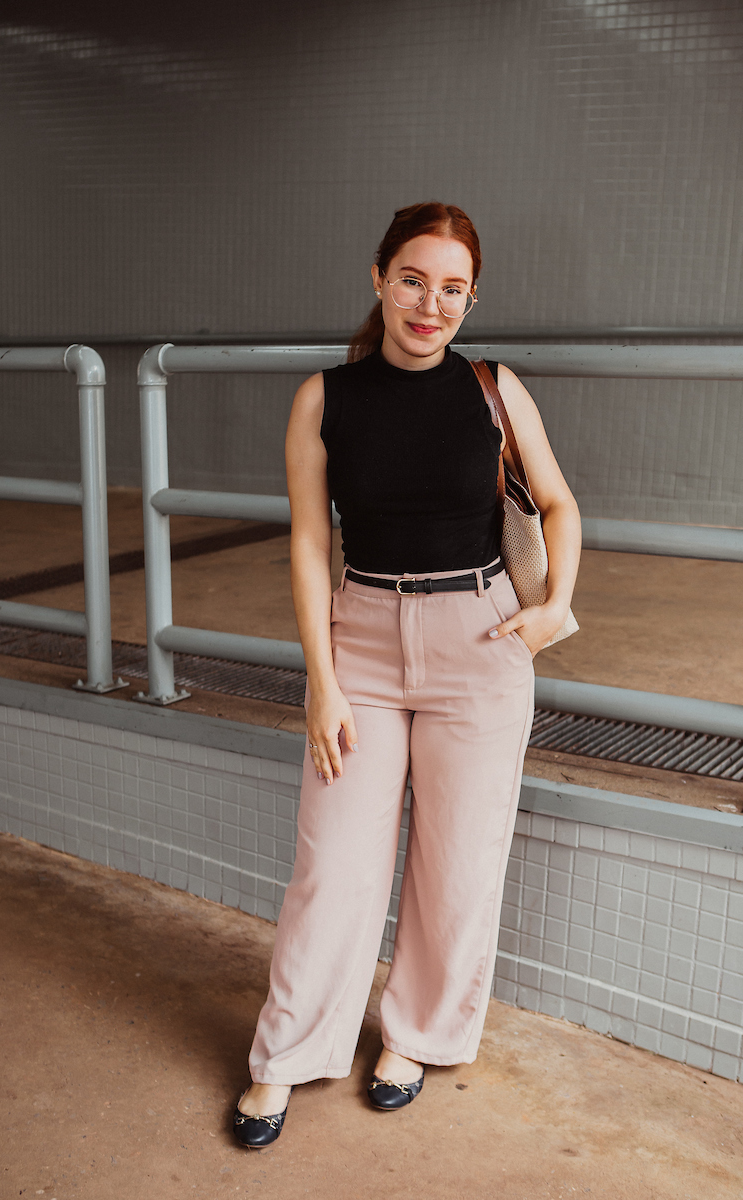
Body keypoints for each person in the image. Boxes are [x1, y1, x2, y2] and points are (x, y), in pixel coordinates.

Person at [232, 201, 581, 1148]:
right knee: (333, 865)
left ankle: (415, 1037)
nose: (432, 304)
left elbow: (556, 504)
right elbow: (311, 542)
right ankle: (289, 1054)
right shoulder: (326, 398)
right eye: (415, 281)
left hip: (482, 638)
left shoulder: (492, 389)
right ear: (381, 278)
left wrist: (550, 610)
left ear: (473, 298)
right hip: (366, 640)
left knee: (459, 865)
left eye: (453, 289)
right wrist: (322, 678)